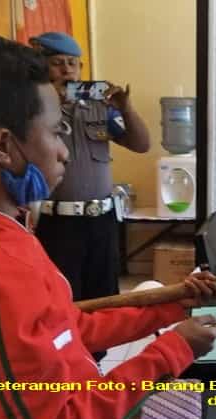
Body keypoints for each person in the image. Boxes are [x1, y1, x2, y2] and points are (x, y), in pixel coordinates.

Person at [0, 25, 216, 419]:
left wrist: (172, 306)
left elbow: (68, 328)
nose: (64, 151)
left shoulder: (3, 232)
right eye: (55, 131)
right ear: (3, 147)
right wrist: (173, 351)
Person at [28, 32, 151, 344]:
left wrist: (125, 108)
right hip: (59, 224)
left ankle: (96, 358)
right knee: (64, 299)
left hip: (101, 221)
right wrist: (53, 102)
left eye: (73, 63)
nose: (67, 70)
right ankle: (69, 358)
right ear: (42, 66)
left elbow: (141, 144)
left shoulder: (99, 108)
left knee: (104, 298)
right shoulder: (32, 109)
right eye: (58, 63)